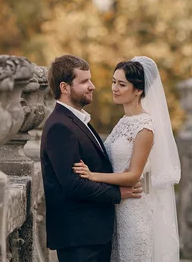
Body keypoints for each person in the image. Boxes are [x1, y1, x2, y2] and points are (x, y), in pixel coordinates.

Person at [73, 57, 181, 261]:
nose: (114, 88)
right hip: (115, 210)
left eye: (122, 84)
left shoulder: (145, 127)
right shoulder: (124, 122)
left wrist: (92, 176)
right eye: (114, 81)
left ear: (138, 90)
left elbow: (133, 176)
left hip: (134, 214)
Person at [40, 54, 143, 262]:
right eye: (84, 81)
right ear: (64, 87)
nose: (92, 86)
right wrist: (117, 193)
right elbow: (73, 184)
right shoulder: (60, 126)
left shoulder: (77, 120)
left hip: (92, 235)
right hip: (79, 237)